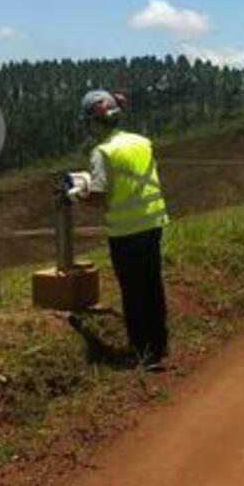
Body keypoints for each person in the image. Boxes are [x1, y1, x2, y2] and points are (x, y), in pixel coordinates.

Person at [71, 90, 171, 371]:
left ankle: (142, 353)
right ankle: (160, 345)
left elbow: (100, 198)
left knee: (134, 292)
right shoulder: (142, 142)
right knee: (152, 285)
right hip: (152, 222)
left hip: (126, 231)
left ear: (94, 122)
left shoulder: (102, 152)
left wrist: (78, 193)